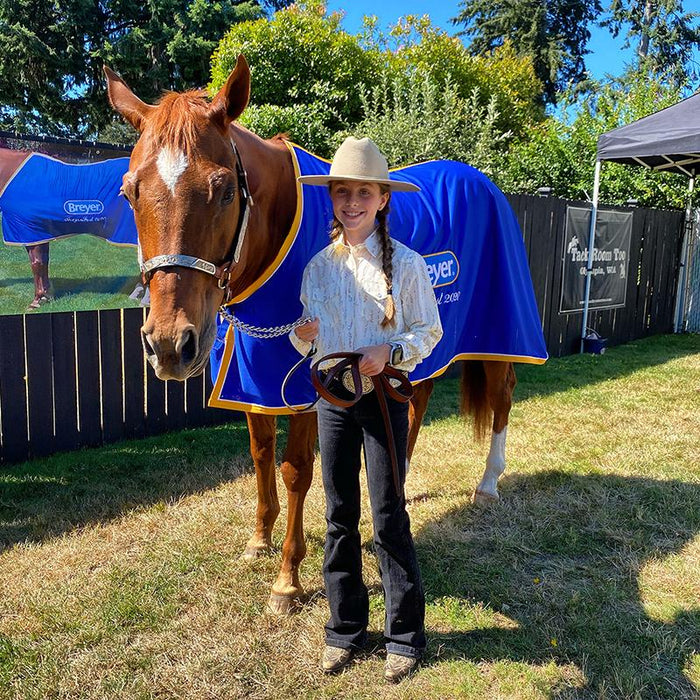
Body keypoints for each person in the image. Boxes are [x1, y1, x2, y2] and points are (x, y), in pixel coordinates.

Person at [290, 137, 443, 683]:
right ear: (332, 198)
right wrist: (301, 336)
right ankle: (344, 630)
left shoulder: (406, 266)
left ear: (382, 199)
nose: (351, 201)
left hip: (381, 401)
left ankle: (403, 636)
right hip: (332, 402)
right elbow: (307, 337)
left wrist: (391, 352)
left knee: (387, 513)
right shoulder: (318, 268)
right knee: (337, 513)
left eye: (363, 192)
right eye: (342, 192)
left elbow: (430, 330)